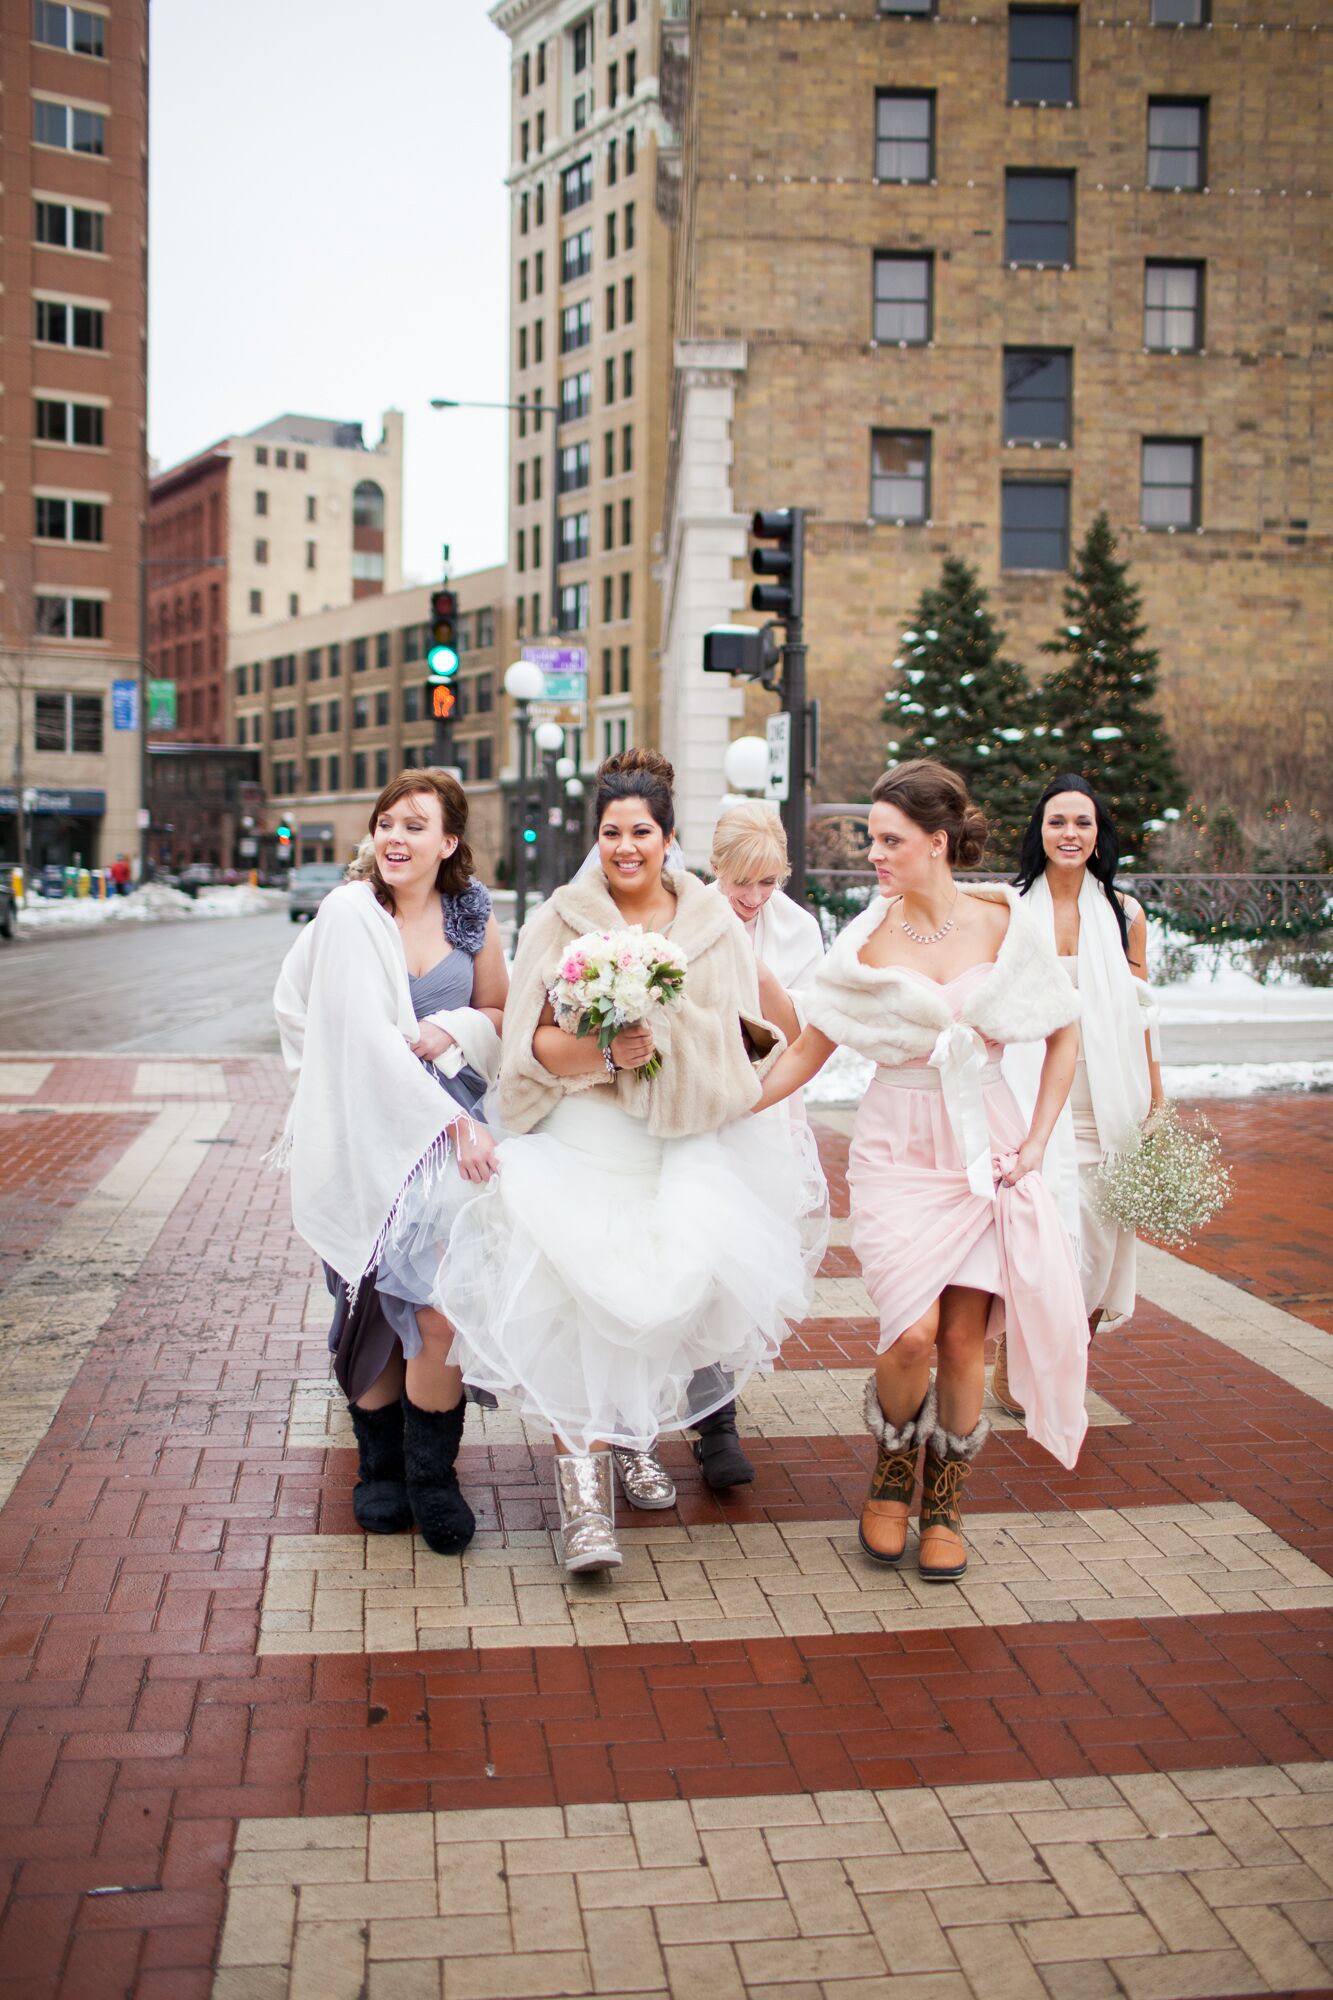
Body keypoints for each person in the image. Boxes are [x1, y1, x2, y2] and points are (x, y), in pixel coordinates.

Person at [437, 749, 818, 1574]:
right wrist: (606, 1050)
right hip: (582, 1142)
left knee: (656, 1311)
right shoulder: (561, 922)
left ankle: (636, 1439)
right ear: (597, 838)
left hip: (675, 1149)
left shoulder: (711, 924)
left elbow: (767, 1029)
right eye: (611, 832)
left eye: (640, 831)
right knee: (580, 1316)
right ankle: (584, 1511)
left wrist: (703, 1058)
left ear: (667, 837)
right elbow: (528, 1044)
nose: (625, 846)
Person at [752, 759, 1088, 1582]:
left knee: (966, 1339)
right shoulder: (864, 940)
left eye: (889, 840)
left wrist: (1039, 1139)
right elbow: (808, 1046)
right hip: (896, 1146)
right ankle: (890, 1470)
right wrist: (726, 1104)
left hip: (987, 1144)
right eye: (873, 838)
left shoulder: (1006, 923)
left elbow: (1063, 1031)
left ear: (936, 842)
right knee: (910, 1334)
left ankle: (943, 1502)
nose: (874, 853)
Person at [273, 770, 507, 1557]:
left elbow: (501, 1012)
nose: (395, 837)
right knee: (368, 1300)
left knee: (439, 1309)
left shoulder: (473, 917)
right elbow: (322, 1020)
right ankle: (378, 1468)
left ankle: (432, 1478)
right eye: (385, 823)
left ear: (448, 842)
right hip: (364, 1132)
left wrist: (455, 1030)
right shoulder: (347, 913)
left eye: (415, 824)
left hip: (455, 1139)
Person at [996, 775, 1165, 1412]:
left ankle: (1073, 1358)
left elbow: (1144, 1013)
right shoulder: (1009, 909)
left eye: (1083, 823)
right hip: (1031, 1087)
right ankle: (1015, 1358)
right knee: (1038, 1225)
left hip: (1107, 1090)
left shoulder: (1125, 915)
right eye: (1058, 822)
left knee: (1098, 1233)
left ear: (1099, 836)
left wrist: (1157, 1096)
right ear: (1039, 832)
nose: (1071, 833)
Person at [703, 799, 828, 1488]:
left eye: (766, 884)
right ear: (712, 867)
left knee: (739, 1264)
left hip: (766, 1110)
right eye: (738, 883)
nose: (751, 899)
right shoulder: (685, 913)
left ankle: (717, 1419)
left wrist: (755, 966)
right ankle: (674, 1409)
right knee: (690, 1259)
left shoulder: (795, 929)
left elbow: (803, 1032)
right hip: (696, 1110)